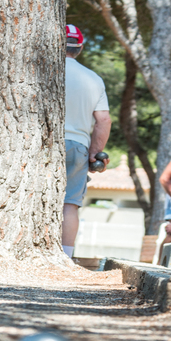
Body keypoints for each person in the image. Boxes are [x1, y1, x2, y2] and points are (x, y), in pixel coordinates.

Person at [61, 24, 111, 258]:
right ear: (79, 48)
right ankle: (66, 256)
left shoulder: (38, 71)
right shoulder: (94, 79)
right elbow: (103, 120)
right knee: (69, 204)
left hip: (37, 144)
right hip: (76, 145)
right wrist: (94, 152)